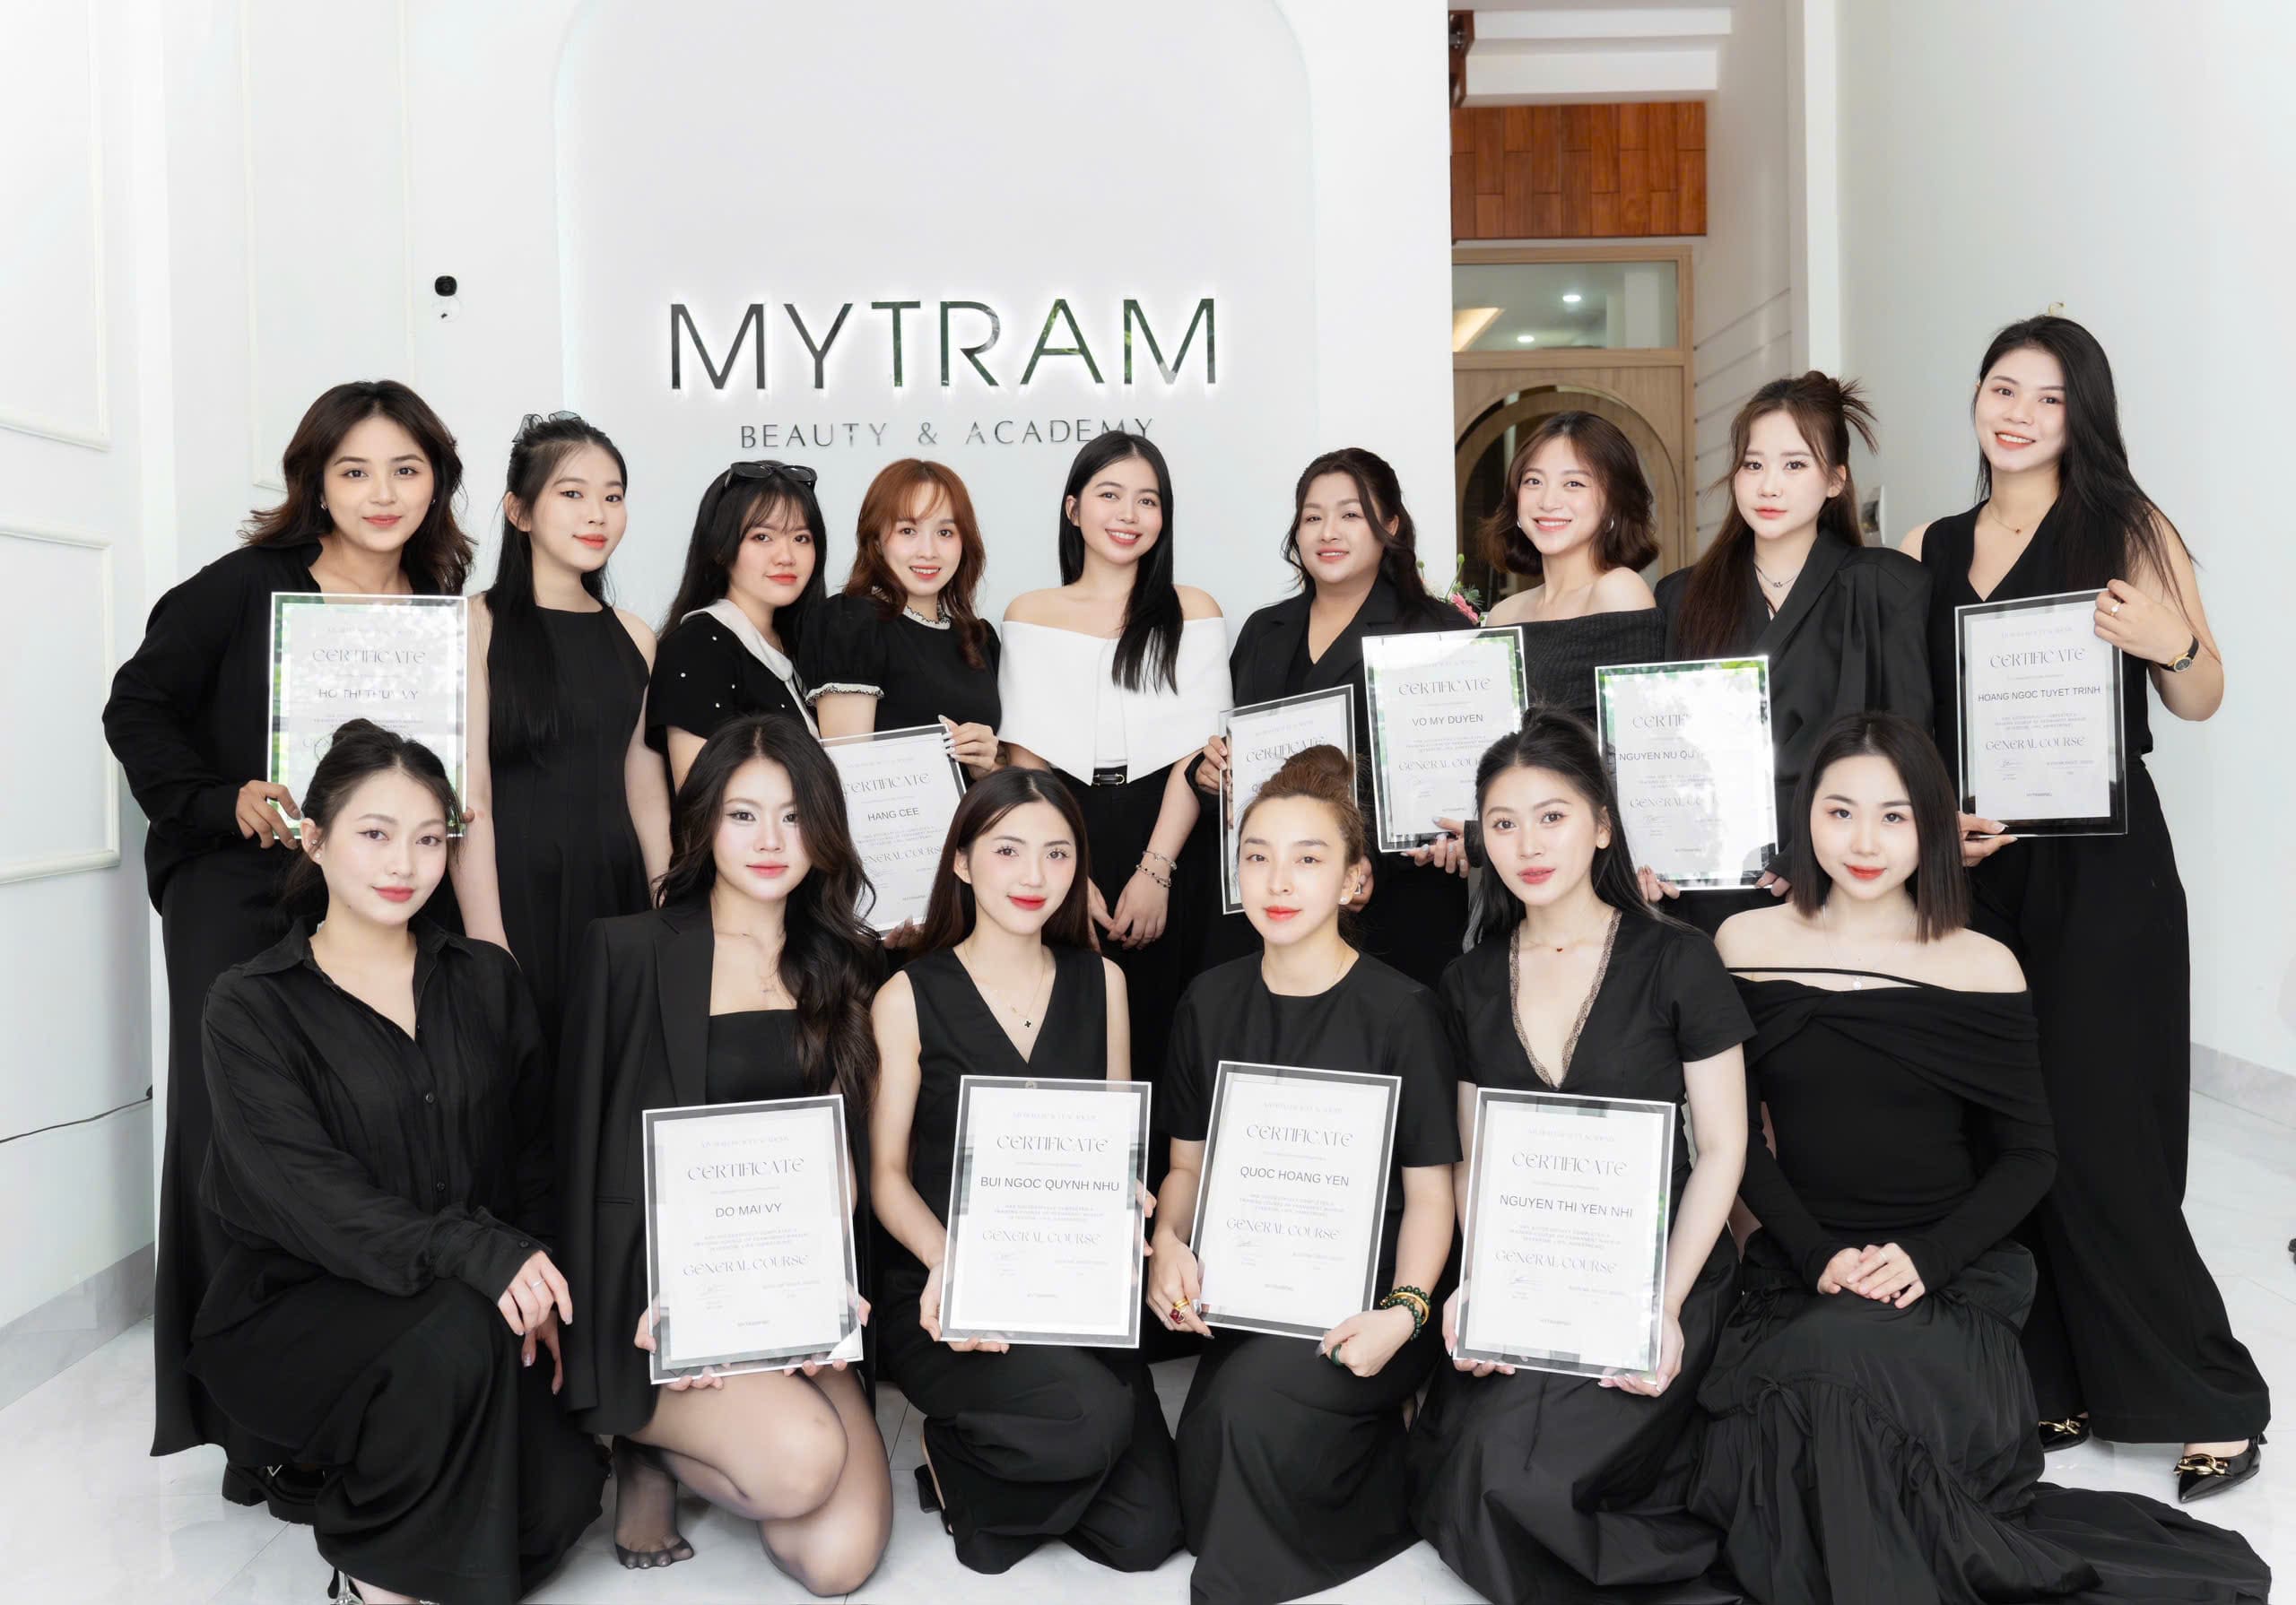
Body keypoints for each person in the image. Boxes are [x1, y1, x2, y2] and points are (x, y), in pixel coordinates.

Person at [1690, 712, 2269, 1601]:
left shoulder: (1982, 962)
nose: (1865, 841)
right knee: (1795, 1401)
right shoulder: (1746, 943)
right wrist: (1816, 1255)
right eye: (1840, 811)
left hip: (1947, 1283)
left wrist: (1923, 1259)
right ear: (1804, 817)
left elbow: (2029, 1156)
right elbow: (1734, 1140)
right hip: (1802, 1272)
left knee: (1840, 1391)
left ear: (1932, 823)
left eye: (1894, 816)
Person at [1902, 314, 2266, 1491]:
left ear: (2082, 416)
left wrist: (2170, 641)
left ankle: (2209, 1393)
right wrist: (1933, 815)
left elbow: (2202, 694)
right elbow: (1909, 718)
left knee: (2106, 1129)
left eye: (2047, 397)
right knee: (2003, 1128)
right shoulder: (1926, 545)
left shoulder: (2127, 526)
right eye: (2001, 387)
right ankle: (2051, 1380)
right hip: (1976, 868)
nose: (2017, 413)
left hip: (2103, 867)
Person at [102, 378, 475, 1495]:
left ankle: (355, 1390)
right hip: (241, 890)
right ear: (314, 480)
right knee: (238, 1139)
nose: (381, 493)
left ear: (438, 483)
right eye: (354, 470)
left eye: (405, 469)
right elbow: (135, 706)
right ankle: (245, 1421)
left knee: (364, 1129)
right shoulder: (245, 586)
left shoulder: (438, 606)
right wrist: (219, 800)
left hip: (375, 895)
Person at [184, 722, 604, 1604]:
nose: (403, 864)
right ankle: (371, 1567)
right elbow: (309, 1196)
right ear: (314, 837)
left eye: (427, 838)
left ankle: (376, 1488)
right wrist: (481, 1255)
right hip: (298, 1310)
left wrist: (531, 1268)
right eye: (374, 833)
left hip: (470, 1302)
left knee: (561, 1499)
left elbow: (536, 1156)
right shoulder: (251, 1005)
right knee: (456, 1333)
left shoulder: (486, 980)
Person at [1406, 707, 1750, 1602]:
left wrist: (1661, 1305)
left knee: (1541, 1476)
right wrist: (1480, 1284)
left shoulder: (1679, 960)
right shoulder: (1468, 980)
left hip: (1656, 1265)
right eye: (1502, 823)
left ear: (1601, 825)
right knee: (1480, 1460)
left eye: (1551, 816)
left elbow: (1723, 1148)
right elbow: (1473, 1156)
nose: (1527, 844)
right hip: (1530, 1266)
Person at [552, 715, 892, 1593]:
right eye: (744, 815)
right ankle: (646, 1445)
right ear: (703, 821)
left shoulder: (847, 963)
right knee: (801, 1464)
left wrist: (825, 1286)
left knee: (838, 1560)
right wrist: (637, 1304)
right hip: (661, 1305)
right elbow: (579, 1154)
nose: (771, 841)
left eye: (794, 815)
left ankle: (706, 1436)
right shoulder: (627, 950)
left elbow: (841, 1153)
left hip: (785, 1290)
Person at [1148, 746, 1458, 1605]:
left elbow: (1432, 1196)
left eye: (1308, 860)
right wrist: (1166, 1243)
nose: (1278, 882)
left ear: (1355, 882)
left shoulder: (1404, 1011)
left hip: (1372, 1303)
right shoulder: (1209, 1001)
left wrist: (1404, 1312)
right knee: (1203, 1470)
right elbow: (1185, 1166)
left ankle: (1391, 1430)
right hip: (1251, 1292)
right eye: (1258, 857)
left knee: (1247, 1415)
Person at [869, 766, 1184, 1575]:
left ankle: (974, 1469)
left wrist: (1123, 1196)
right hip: (949, 1292)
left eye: (1057, 853)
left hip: (1072, 1285)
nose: (1034, 875)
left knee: (1148, 1536)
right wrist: (950, 1262)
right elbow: (887, 1177)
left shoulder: (1103, 982)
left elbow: (1117, 1144)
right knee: (1089, 1422)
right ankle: (984, 1445)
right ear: (963, 862)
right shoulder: (907, 994)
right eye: (1008, 850)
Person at [999, 431, 1230, 1158]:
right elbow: (1026, 762)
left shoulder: (1192, 608)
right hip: (1065, 836)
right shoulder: (1029, 611)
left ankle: (1172, 1201)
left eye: (1147, 500)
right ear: (1073, 509)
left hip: (1174, 832)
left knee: (1172, 1032)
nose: (1129, 514)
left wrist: (1156, 870)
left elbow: (1198, 754)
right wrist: (1072, 875)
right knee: (1074, 1031)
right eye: (1109, 494)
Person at [1652, 373, 1931, 933]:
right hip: (1707, 878)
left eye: (1795, 465)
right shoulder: (1683, 596)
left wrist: (1816, 847)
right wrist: (1653, 844)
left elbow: (1912, 748)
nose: (1769, 486)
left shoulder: (1886, 584)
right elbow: (1662, 748)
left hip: (1846, 874)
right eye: (1753, 465)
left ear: (1835, 480)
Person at [1193, 447, 1474, 986]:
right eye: (1312, 517)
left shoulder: (1436, 631)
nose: (1328, 532)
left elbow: (1458, 779)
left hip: (1398, 911)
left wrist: (1366, 860)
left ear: (1390, 525)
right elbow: (1240, 759)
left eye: (1350, 514)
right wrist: (1208, 773)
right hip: (1273, 905)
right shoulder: (1264, 630)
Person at [455, 411, 669, 1046]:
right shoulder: (473, 624)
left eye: (613, 497)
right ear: (519, 512)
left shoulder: (635, 636)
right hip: (514, 889)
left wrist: (670, 917)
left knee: (616, 1077)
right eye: (572, 494)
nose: (597, 514)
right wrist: (488, 942)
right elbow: (471, 796)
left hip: (617, 894)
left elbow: (647, 797)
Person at [801, 457, 1002, 778]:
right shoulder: (852, 623)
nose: (928, 551)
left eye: (945, 532)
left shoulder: (979, 639)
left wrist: (987, 766)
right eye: (908, 531)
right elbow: (849, 776)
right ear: (877, 540)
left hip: (980, 812)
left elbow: (1006, 779)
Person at [648, 461, 830, 789]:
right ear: (720, 548)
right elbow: (700, 800)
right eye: (762, 537)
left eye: (801, 538)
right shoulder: (696, 648)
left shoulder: (811, 644)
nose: (786, 556)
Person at [1479, 410, 1668, 718]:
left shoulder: (1619, 590)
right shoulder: (1503, 615)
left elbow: (1633, 731)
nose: (1548, 501)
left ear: (1613, 503)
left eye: (1574, 484)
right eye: (1533, 481)